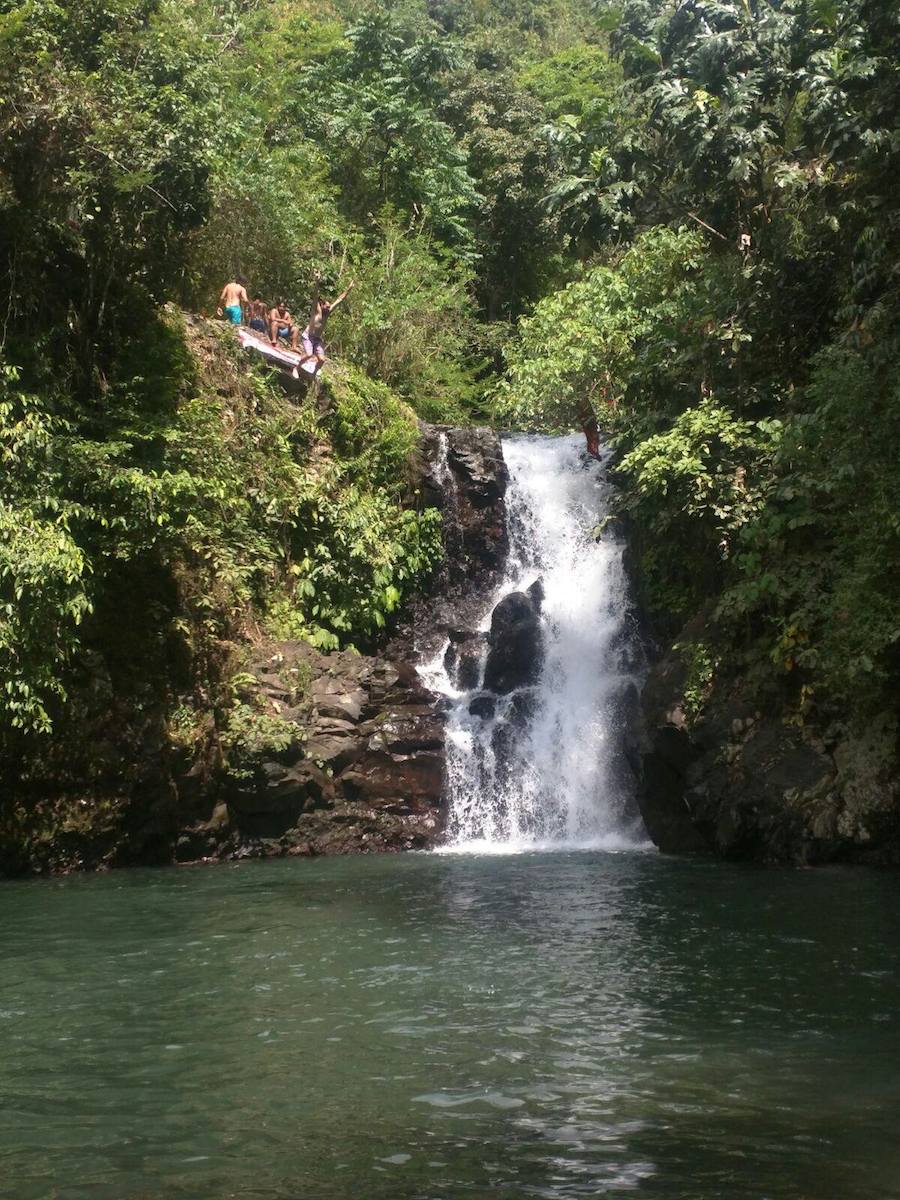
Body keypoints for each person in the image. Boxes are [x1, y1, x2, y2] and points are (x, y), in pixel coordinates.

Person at [298, 271, 355, 373]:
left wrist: (349, 289)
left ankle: (313, 374)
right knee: (309, 355)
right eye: (327, 306)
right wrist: (317, 281)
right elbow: (315, 296)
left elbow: (340, 299)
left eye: (329, 307)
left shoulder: (327, 313)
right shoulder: (316, 311)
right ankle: (297, 367)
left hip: (317, 339)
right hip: (308, 336)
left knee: (322, 360)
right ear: (322, 306)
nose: (329, 308)